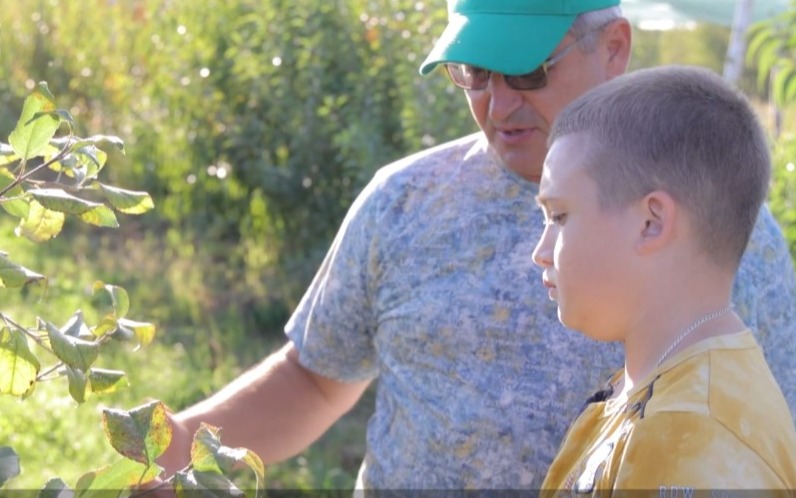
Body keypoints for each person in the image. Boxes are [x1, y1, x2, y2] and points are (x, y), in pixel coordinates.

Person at [159, 0, 796, 489]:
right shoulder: (404, 200)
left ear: (614, 46)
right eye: (473, 72)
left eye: (525, 68)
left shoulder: (719, 230)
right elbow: (315, 380)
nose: (498, 102)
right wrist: (181, 445)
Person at [534, 64, 796, 493]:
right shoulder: (667, 382)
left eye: (560, 216)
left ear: (651, 223)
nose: (540, 252)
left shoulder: (695, 438)